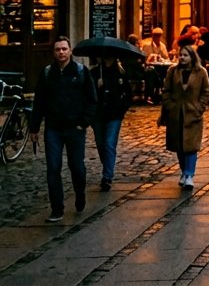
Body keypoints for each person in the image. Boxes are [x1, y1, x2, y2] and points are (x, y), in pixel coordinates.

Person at [28, 37, 97, 222]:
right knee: (53, 168)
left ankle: (79, 193)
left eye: (64, 49)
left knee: (76, 166)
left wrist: (83, 123)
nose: (61, 52)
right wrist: (34, 128)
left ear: (70, 51)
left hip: (75, 128)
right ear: (54, 52)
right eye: (58, 49)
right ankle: (56, 208)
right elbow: (39, 102)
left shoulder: (81, 72)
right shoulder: (47, 73)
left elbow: (92, 100)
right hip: (53, 128)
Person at [159, 45, 209, 190]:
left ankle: (189, 175)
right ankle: (183, 171)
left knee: (191, 147)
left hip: (193, 114)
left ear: (192, 57)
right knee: (179, 147)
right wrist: (169, 105)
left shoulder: (201, 72)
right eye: (180, 55)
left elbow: (206, 92)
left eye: (185, 55)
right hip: (176, 113)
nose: (182, 57)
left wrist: (199, 108)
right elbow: (166, 90)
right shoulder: (173, 71)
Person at [92, 56, 132, 192]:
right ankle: (107, 166)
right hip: (98, 115)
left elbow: (128, 93)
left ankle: (107, 177)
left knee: (109, 143)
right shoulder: (95, 73)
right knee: (100, 143)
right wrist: (97, 87)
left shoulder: (120, 73)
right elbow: (88, 94)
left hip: (114, 114)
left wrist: (122, 108)